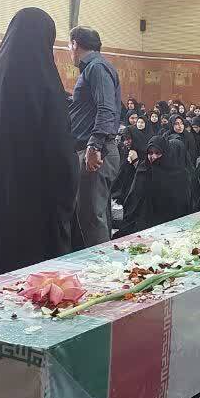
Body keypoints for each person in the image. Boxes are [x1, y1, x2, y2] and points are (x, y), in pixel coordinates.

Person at [0, 8, 80, 281]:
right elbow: (61, 154)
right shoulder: (46, 85)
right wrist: (67, 196)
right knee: (30, 285)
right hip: (33, 208)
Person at [68, 25, 122, 249]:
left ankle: (101, 266)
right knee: (93, 216)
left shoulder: (96, 67)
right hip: (96, 150)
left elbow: (106, 108)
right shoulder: (94, 67)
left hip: (98, 153)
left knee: (92, 218)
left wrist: (94, 146)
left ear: (75, 44)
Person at [119, 135, 191, 235]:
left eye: (158, 153)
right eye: (150, 153)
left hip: (171, 226)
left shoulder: (176, 173)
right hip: (145, 224)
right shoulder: (144, 169)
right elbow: (133, 199)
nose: (153, 157)